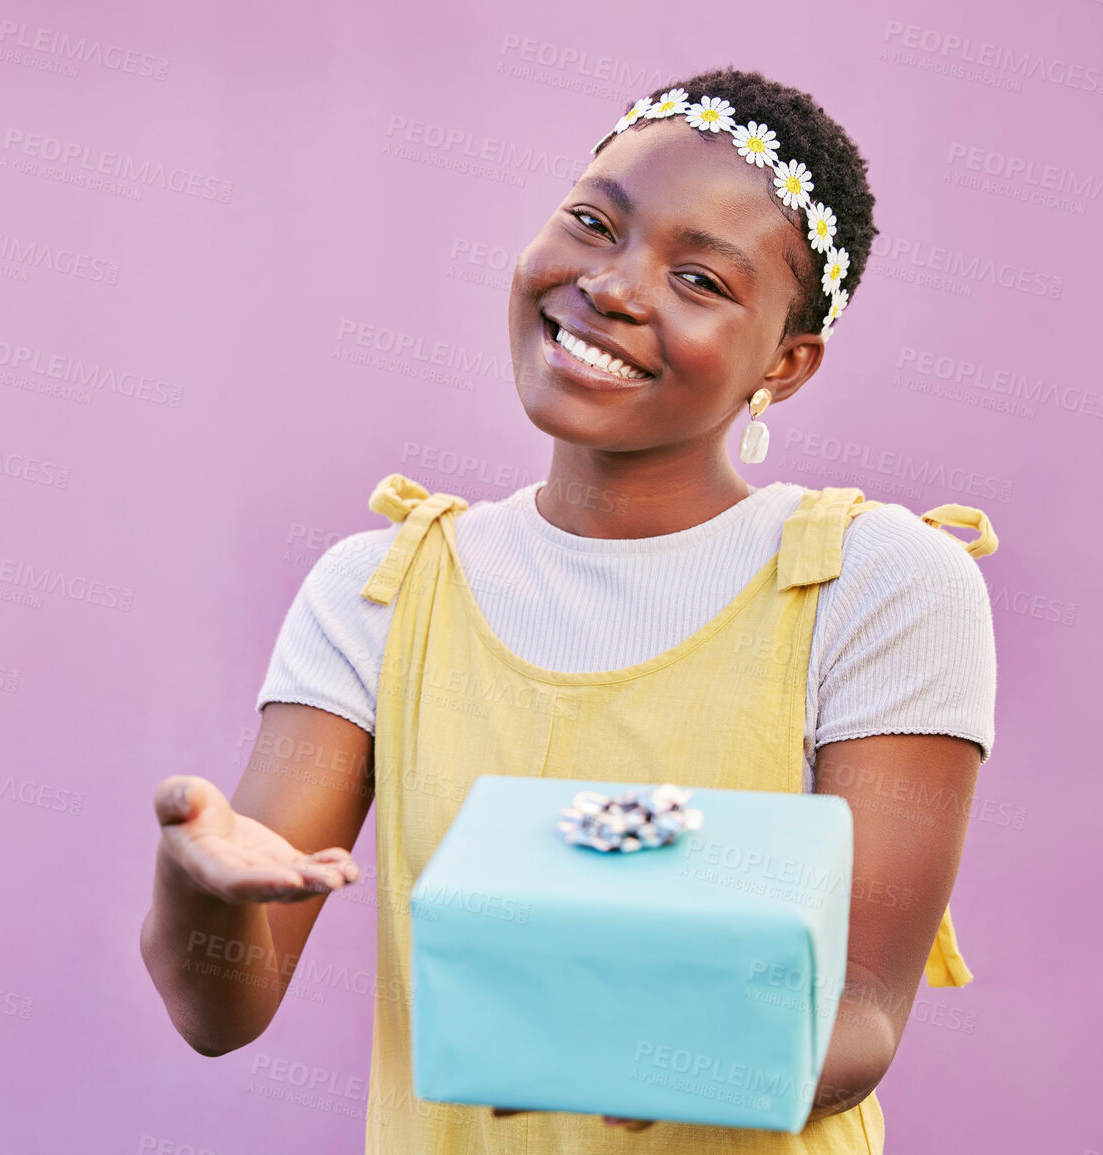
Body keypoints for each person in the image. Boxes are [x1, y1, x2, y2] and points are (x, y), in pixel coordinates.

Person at [140, 66, 999, 1153]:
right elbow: (222, 1009)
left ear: (786, 362)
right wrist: (200, 886)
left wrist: (700, 1046)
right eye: (595, 222)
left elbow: (865, 1004)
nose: (616, 286)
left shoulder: (879, 585)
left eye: (700, 280)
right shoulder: (385, 594)